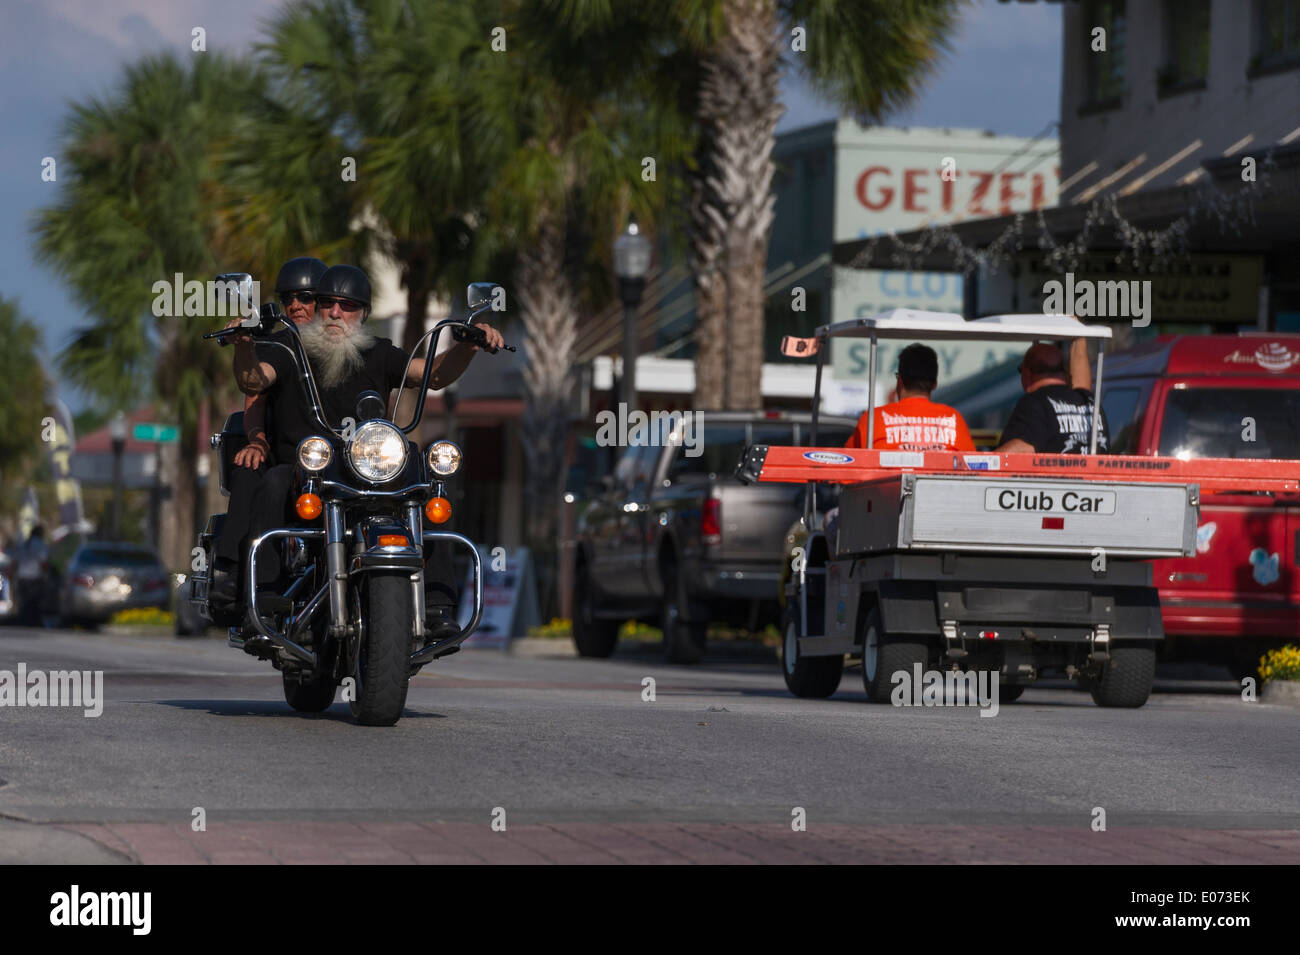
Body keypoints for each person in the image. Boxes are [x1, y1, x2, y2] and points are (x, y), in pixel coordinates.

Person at [213, 264, 503, 639]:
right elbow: (254, 379)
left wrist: (467, 346)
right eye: (328, 303)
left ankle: (437, 603)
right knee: (273, 480)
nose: (336, 313)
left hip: (368, 470)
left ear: (363, 313)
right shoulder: (289, 347)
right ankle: (265, 595)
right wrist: (245, 347)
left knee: (427, 481)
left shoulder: (378, 352)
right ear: (318, 307)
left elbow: (431, 374)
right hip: (306, 474)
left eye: (348, 306)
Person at [233, 256, 327, 471]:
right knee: (250, 474)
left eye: (305, 297)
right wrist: (258, 441)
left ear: (324, 300)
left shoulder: (349, 343)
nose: (294, 306)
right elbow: (255, 389)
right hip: (292, 462)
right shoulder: (276, 345)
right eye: (287, 299)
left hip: (352, 460)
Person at [845, 343, 974, 452]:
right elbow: (975, 470)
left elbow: (846, 467)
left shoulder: (873, 418)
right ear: (934, 384)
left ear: (900, 381)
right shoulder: (953, 419)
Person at [996, 339, 1109, 454]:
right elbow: (1080, 381)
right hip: (1093, 471)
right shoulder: (1090, 403)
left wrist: (982, 463)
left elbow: (1019, 451)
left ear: (1027, 373)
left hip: (1055, 472)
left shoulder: (1034, 404)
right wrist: (1079, 338)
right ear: (1064, 373)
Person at [15, 524, 48, 626]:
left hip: (22, 577)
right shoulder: (41, 545)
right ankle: (33, 622)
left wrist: (10, 573)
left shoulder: (24, 544)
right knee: (35, 602)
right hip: (35, 578)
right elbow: (43, 563)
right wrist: (46, 573)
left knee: (24, 602)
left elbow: (15, 561)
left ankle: (24, 621)